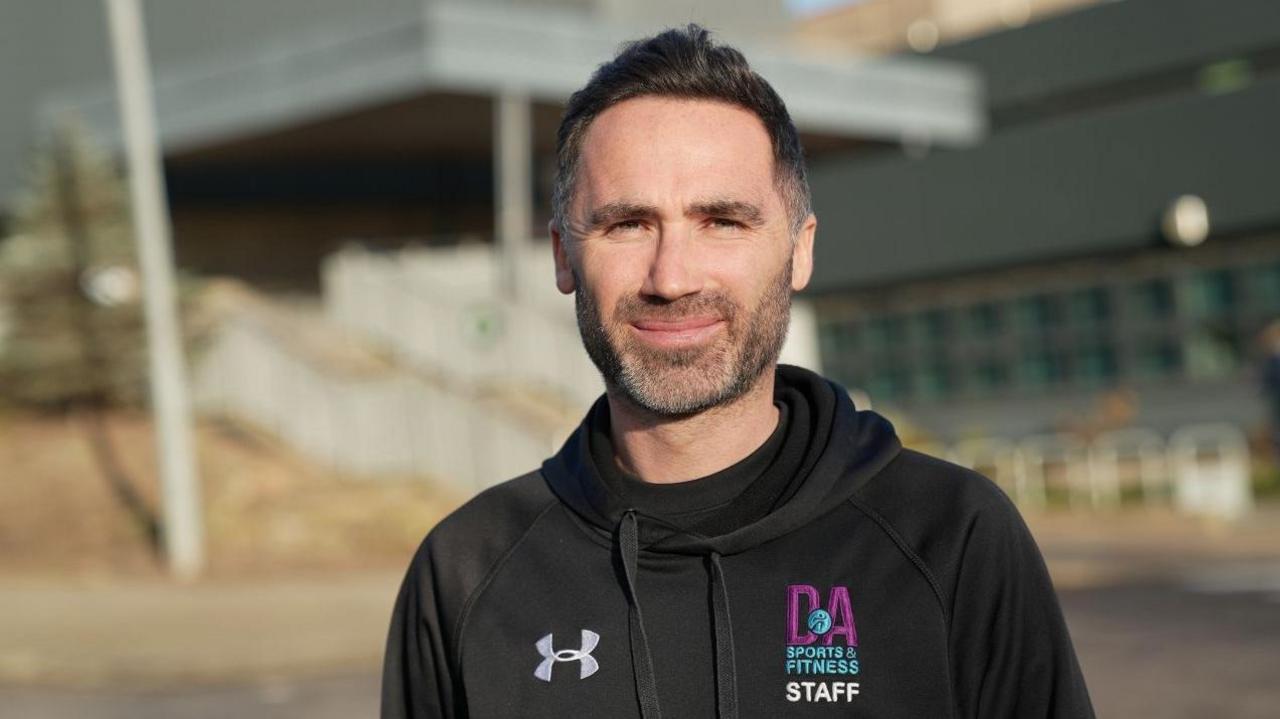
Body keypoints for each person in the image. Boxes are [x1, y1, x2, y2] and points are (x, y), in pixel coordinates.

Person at [382, 25, 1094, 719]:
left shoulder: (952, 537)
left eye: (722, 220)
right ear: (565, 257)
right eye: (627, 223)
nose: (672, 276)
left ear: (799, 249)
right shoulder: (466, 573)